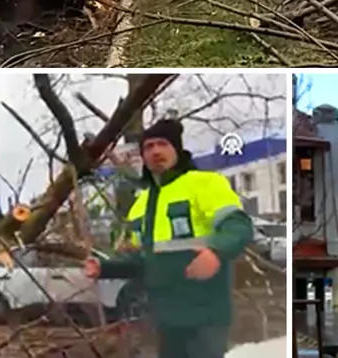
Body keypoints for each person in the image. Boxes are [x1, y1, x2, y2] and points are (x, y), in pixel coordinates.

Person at [83, 119, 253, 358]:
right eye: (148, 147)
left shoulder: (204, 183)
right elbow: (144, 260)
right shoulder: (141, 204)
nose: (155, 152)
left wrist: (216, 251)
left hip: (205, 314)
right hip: (165, 317)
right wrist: (105, 267)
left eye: (162, 144)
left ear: (177, 149)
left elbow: (239, 226)